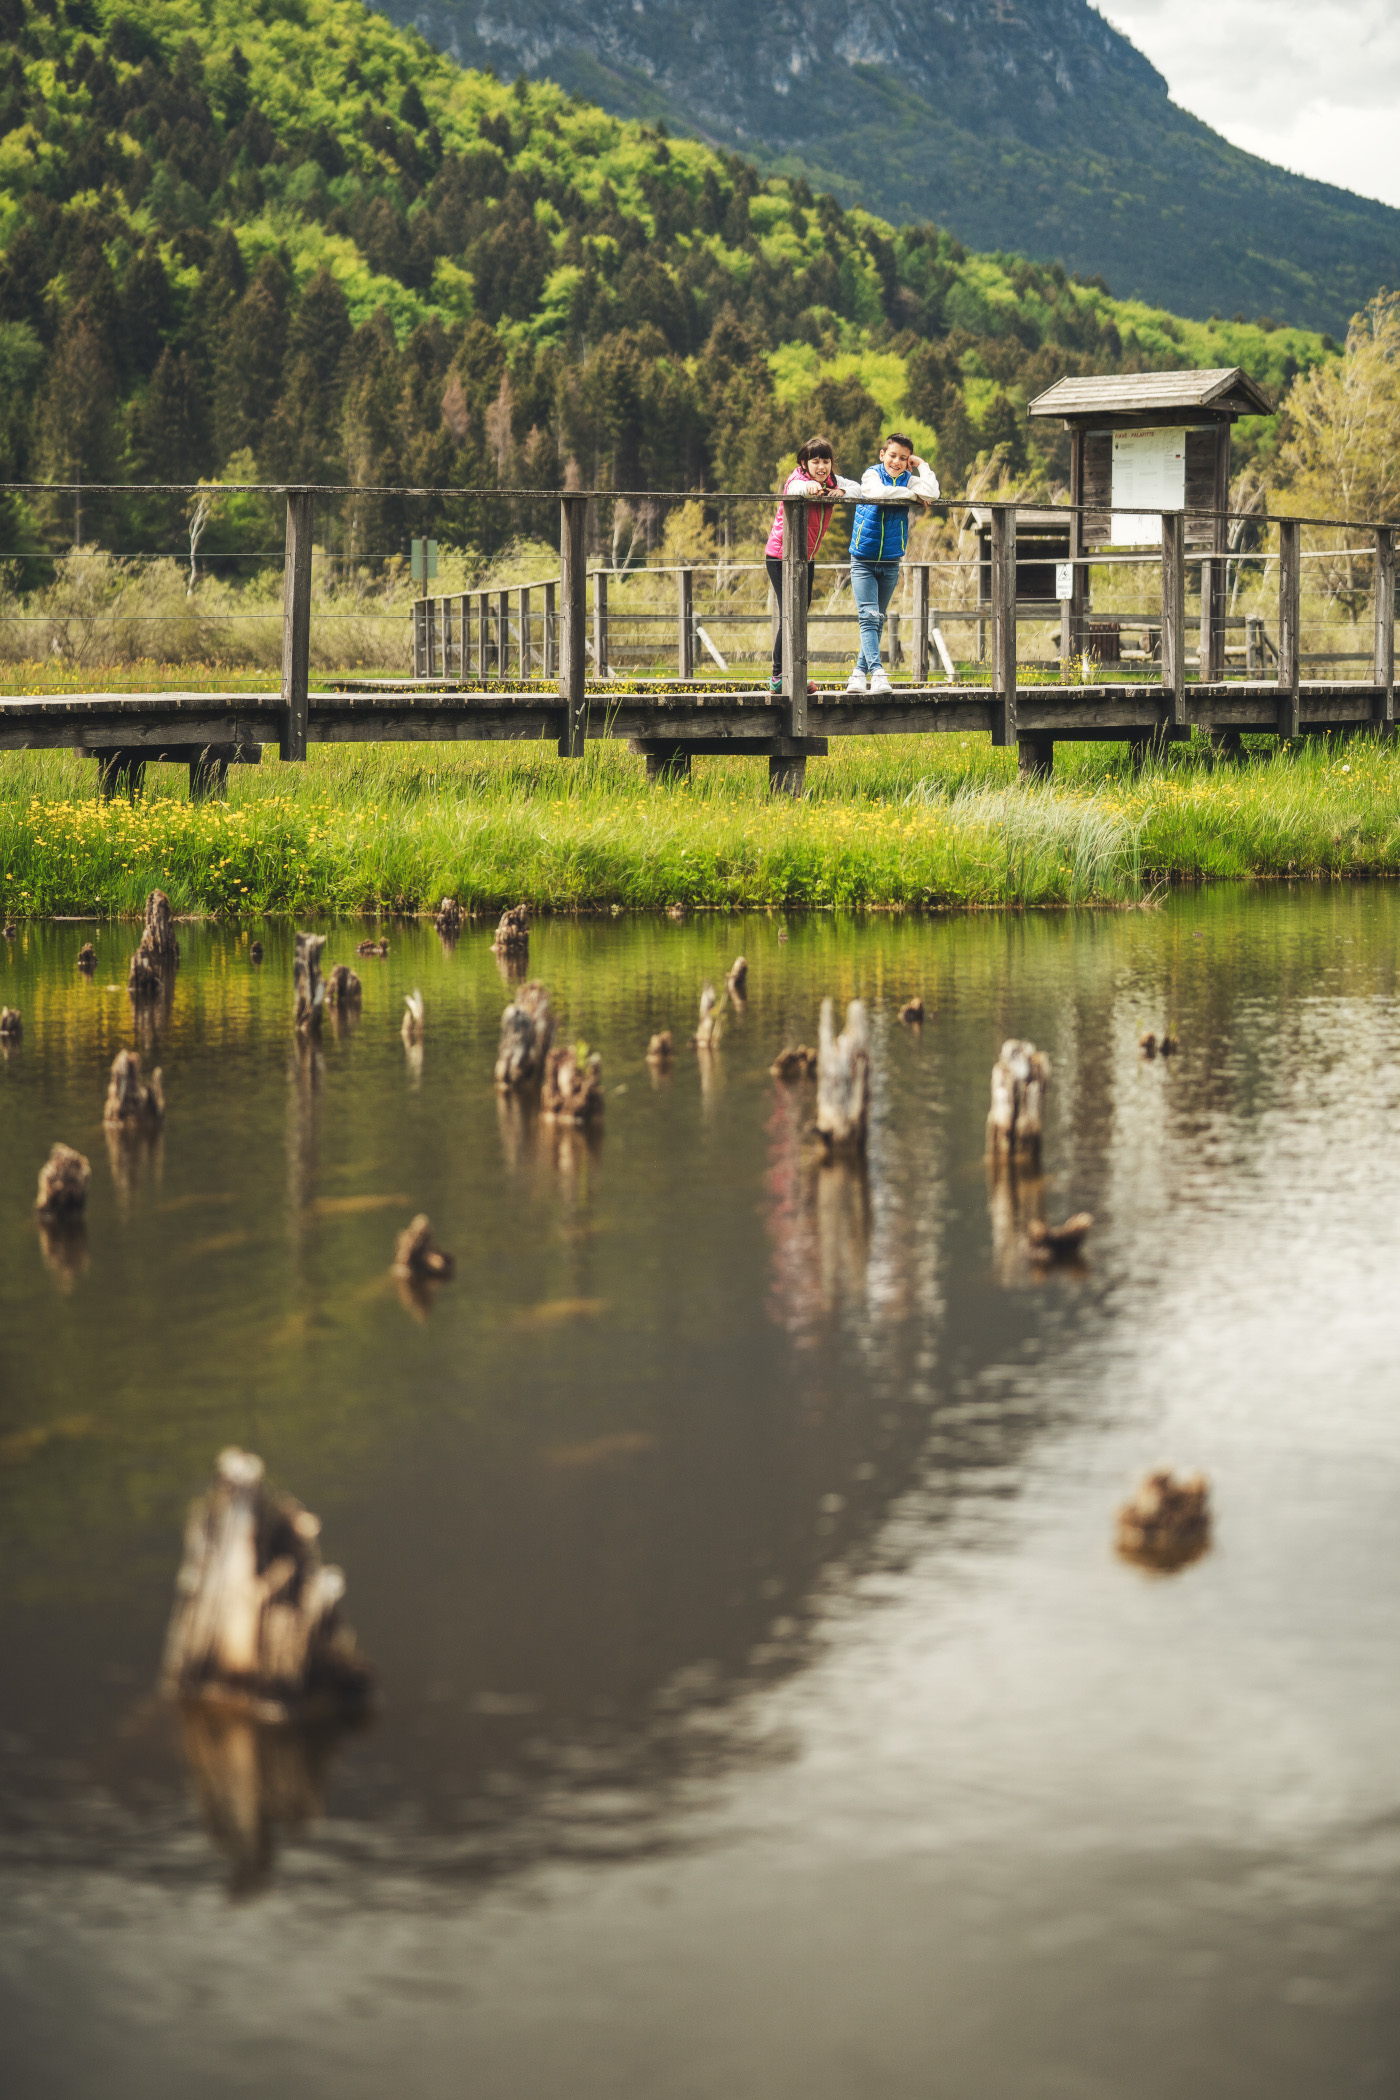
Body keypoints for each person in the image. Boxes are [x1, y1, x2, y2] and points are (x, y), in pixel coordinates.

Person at [765, 438, 861, 695]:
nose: (821, 466)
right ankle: (779, 675)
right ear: (803, 464)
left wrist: (840, 492)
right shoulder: (797, 479)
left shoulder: (832, 482)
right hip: (781, 556)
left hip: (805, 556)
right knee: (791, 612)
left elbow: (858, 489)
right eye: (815, 461)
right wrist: (811, 487)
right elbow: (797, 488)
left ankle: (790, 674)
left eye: (826, 461)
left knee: (799, 612)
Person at [846, 433, 940, 695]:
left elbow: (933, 492)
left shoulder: (911, 476)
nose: (897, 462)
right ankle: (877, 673)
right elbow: (877, 493)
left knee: (877, 619)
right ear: (882, 455)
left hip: (890, 560)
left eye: (904, 458)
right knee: (868, 616)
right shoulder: (871, 474)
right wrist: (912, 495)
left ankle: (857, 675)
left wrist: (922, 466)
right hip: (863, 559)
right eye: (893, 456)